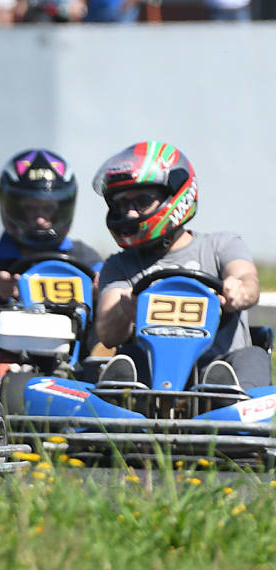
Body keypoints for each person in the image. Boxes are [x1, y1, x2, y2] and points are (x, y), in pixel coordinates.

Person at [93, 141, 270, 390]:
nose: (130, 214)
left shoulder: (221, 245)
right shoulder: (120, 265)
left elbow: (246, 278)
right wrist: (125, 311)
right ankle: (129, 405)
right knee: (129, 358)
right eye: (123, 205)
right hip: (150, 373)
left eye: (142, 202)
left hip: (219, 368)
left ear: (175, 196)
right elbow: (107, 333)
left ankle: (230, 403)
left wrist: (238, 290)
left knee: (254, 357)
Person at [0, 148, 103, 345]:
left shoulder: (86, 260)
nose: (40, 219)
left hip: (75, 364)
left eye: (48, 208)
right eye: (29, 208)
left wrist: (99, 295)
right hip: (3, 362)